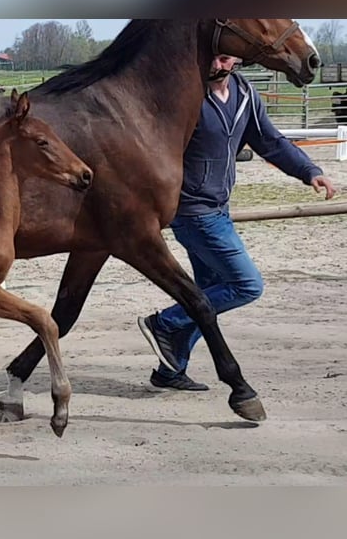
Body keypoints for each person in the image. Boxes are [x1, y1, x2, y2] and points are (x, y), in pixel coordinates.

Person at [138, 54, 337, 391]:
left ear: (238, 60)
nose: (218, 62)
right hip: (193, 211)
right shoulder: (189, 97)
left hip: (220, 206)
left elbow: (270, 142)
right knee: (246, 285)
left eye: (226, 57)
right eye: (214, 55)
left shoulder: (245, 95)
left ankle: (171, 370)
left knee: (209, 295)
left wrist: (309, 171)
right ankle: (164, 323)